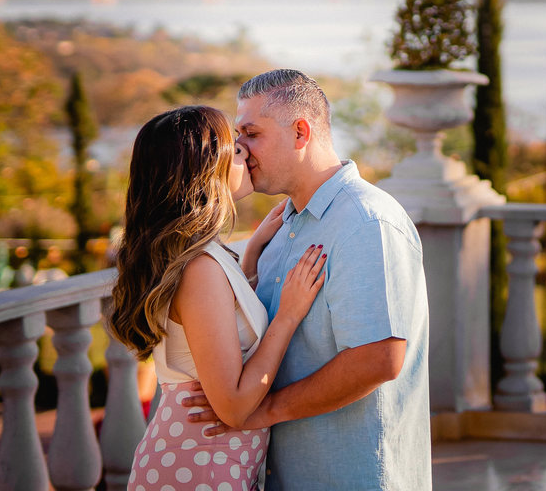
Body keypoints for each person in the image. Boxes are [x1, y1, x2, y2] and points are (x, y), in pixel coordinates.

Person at [184, 68, 432, 491]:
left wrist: (265, 410)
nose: (239, 149)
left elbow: (379, 358)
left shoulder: (365, 222)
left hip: (353, 477)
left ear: (301, 132)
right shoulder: (282, 228)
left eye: (251, 133)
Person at [109, 105, 327, 491]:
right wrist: (288, 316)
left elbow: (224, 328)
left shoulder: (200, 257)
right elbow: (235, 407)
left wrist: (251, 255)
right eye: (237, 149)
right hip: (200, 466)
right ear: (207, 170)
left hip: (204, 462)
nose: (247, 152)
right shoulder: (200, 268)